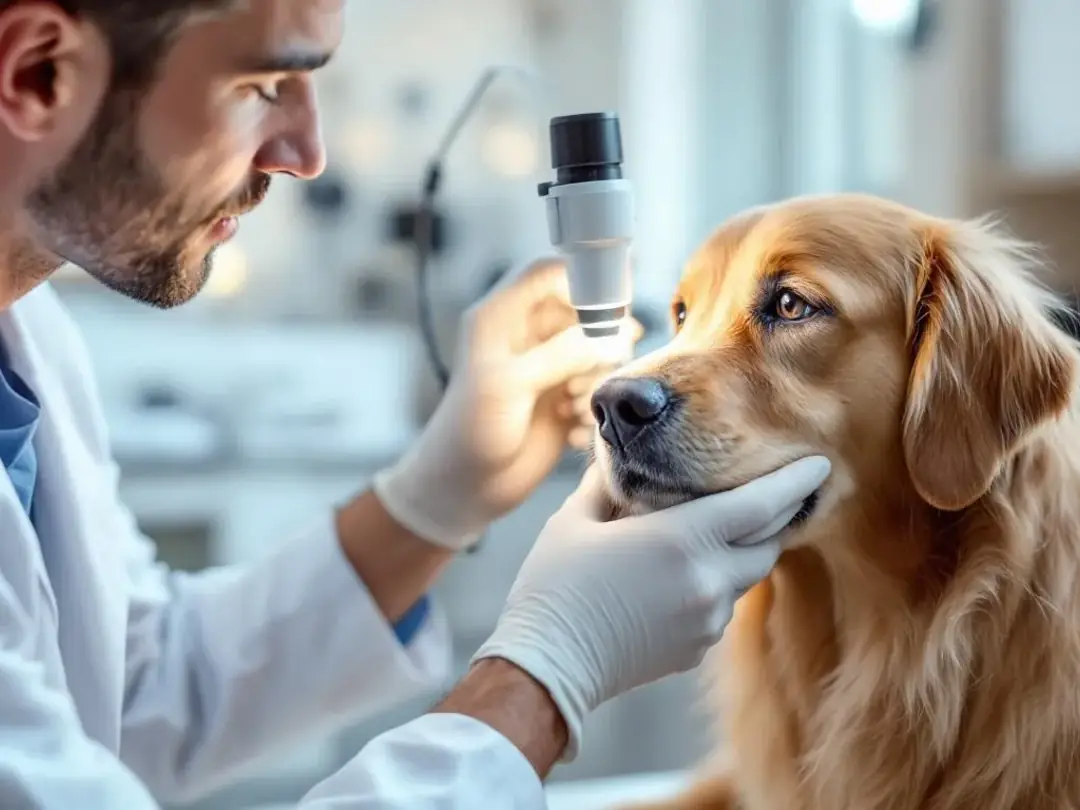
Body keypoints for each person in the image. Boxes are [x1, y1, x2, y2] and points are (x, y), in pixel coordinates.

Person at [0, 1, 832, 808]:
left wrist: (441, 493)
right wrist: (550, 668)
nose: (306, 153)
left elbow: (141, 693)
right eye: (261, 85)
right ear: (39, 70)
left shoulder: (33, 338)